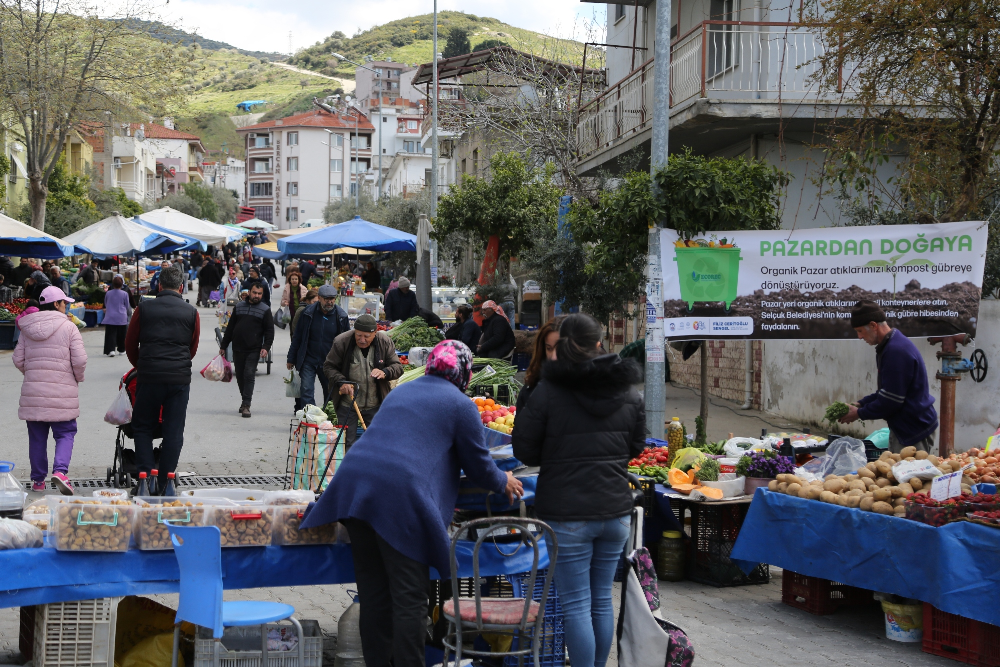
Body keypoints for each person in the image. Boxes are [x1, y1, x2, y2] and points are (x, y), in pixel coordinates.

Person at [301, 340, 523, 667]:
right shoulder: (460, 405)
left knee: (375, 598)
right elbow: (479, 467)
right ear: (463, 372)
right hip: (398, 499)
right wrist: (504, 480)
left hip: (355, 490)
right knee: (409, 600)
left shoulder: (403, 390)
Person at [511, 313, 645, 667]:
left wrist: (557, 452)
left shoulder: (548, 392)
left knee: (575, 604)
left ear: (564, 349)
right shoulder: (628, 391)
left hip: (568, 512)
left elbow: (524, 449)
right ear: (598, 344)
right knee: (601, 599)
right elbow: (635, 446)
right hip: (615, 510)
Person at [125, 266, 200, 491]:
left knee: (143, 427)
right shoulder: (191, 312)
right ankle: (166, 481)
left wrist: (141, 364)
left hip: (149, 376)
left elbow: (130, 343)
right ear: (180, 287)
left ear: (158, 285)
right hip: (179, 380)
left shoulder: (144, 308)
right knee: (173, 430)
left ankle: (145, 478)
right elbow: (192, 347)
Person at [13, 286, 88, 494]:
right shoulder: (69, 327)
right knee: (65, 432)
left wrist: (32, 374)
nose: (67, 306)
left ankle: (38, 481)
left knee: (37, 436)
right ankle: (60, 472)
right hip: (62, 392)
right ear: (56, 304)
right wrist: (77, 378)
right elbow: (80, 360)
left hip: (34, 392)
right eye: (65, 303)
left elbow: (18, 359)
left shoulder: (26, 329)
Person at [838, 301, 938, 452]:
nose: (859, 337)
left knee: (911, 474)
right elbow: (886, 392)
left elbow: (891, 401)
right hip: (907, 427)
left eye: (860, 331)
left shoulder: (895, 351)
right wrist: (860, 404)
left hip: (913, 430)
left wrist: (858, 413)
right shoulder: (891, 345)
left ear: (873, 325)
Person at [324, 314, 405, 449]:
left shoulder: (384, 342)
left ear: (375, 333)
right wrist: (341, 381)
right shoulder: (342, 341)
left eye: (366, 336)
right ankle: (348, 470)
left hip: (375, 404)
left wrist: (385, 372)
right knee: (346, 443)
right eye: (358, 335)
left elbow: (398, 367)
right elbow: (328, 367)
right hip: (348, 403)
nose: (362, 340)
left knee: (376, 444)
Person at [286, 284, 350, 410]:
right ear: (319, 298)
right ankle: (309, 418)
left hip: (329, 362)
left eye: (332, 298)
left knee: (330, 392)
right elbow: (298, 336)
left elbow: (346, 342)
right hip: (308, 359)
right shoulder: (307, 313)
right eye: (326, 298)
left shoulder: (341, 316)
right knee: (306, 389)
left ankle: (327, 419)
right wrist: (291, 358)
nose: (330, 301)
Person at [220, 282, 274, 418]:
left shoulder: (265, 310)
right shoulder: (238, 307)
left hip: (254, 348)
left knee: (249, 374)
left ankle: (246, 405)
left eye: (259, 293)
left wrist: (266, 347)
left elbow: (269, 331)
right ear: (249, 292)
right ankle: (244, 399)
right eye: (254, 293)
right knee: (240, 375)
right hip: (238, 347)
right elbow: (231, 327)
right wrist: (223, 345)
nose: (257, 296)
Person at [515, 316, 563, 411]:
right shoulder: (531, 388)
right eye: (549, 348)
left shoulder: (588, 393)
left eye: (560, 348)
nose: (553, 356)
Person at [103, 276, 132, 357]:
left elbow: (105, 303)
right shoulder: (125, 294)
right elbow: (127, 305)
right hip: (121, 316)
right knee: (122, 334)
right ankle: (122, 349)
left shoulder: (108, 293)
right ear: (122, 284)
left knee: (110, 333)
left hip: (110, 316)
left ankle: (111, 350)